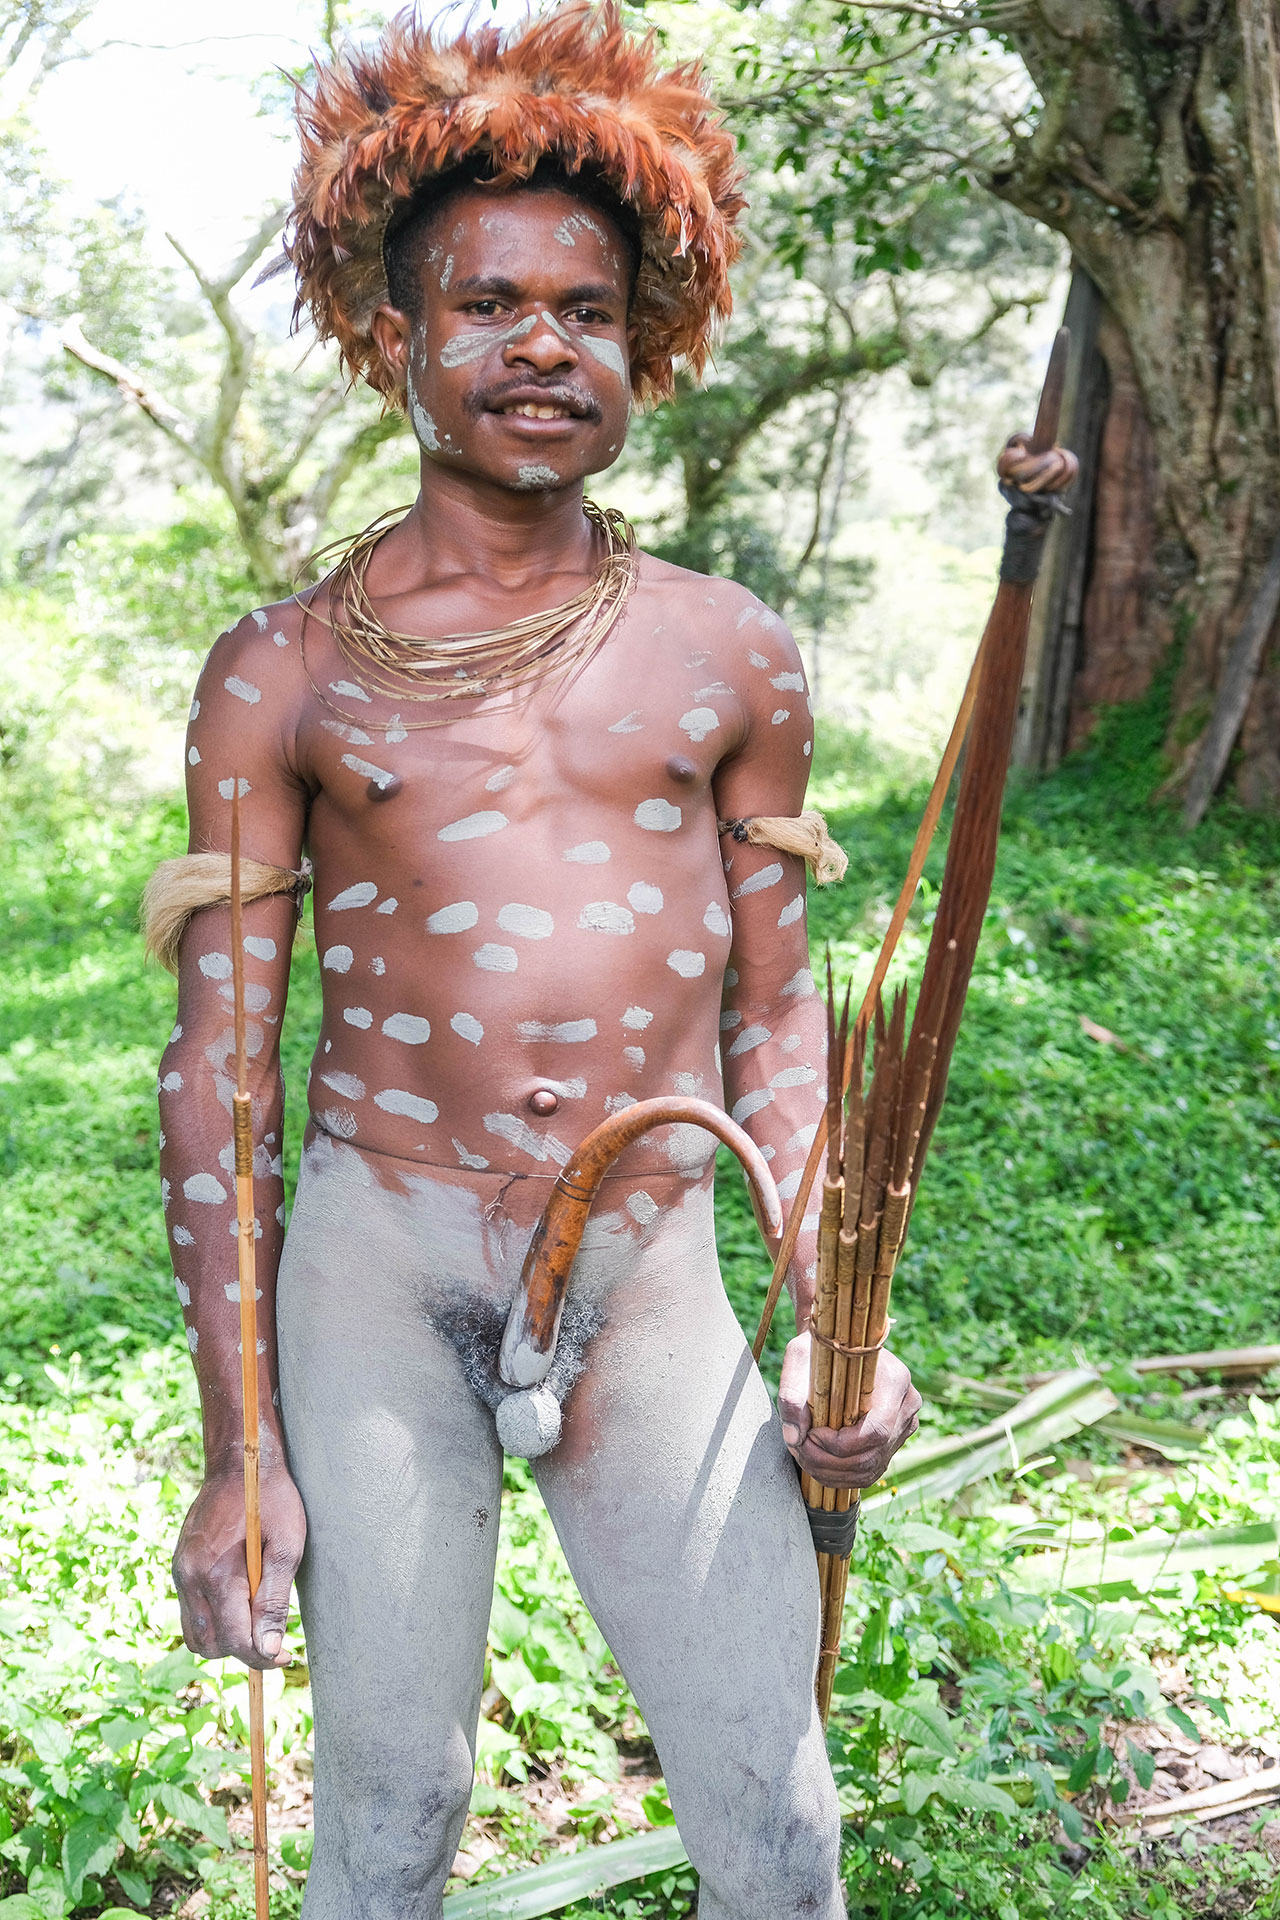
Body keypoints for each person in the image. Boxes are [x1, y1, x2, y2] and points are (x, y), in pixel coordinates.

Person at [148, 8, 922, 1915]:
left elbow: (775, 1010)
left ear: (642, 344)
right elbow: (222, 1065)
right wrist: (239, 1449)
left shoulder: (727, 650)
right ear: (397, 340)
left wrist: (836, 1320)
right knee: (387, 1822)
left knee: (777, 1813)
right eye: (485, 307)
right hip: (379, 1261)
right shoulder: (286, 667)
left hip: (651, 1266)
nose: (539, 346)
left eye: (585, 307)